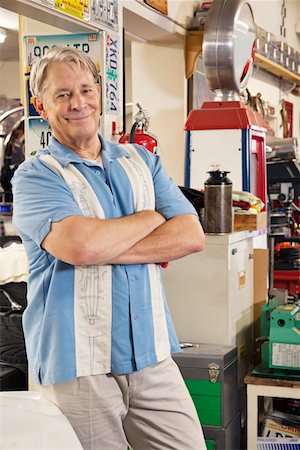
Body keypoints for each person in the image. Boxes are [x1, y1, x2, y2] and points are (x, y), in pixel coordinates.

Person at [12, 46, 207, 450]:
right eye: (62, 94)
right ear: (40, 105)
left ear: (100, 94)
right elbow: (80, 247)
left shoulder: (141, 161)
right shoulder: (35, 175)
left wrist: (101, 244)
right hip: (78, 365)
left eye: (85, 89)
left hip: (151, 353)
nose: (78, 103)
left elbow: (190, 234)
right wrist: (151, 219)